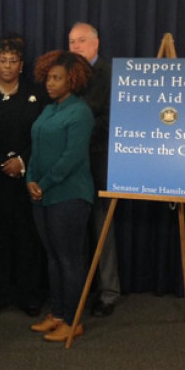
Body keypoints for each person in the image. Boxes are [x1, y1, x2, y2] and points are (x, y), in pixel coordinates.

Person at [0, 32, 47, 318]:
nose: (7, 66)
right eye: (2, 60)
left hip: (26, 179)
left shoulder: (37, 94)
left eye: (12, 60)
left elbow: (42, 135)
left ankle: (29, 295)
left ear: (21, 64)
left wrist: (22, 161)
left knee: (27, 239)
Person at [27, 50, 94, 342]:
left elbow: (72, 158)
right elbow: (36, 150)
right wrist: (30, 179)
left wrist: (45, 182)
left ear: (73, 79)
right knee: (53, 258)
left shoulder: (80, 112)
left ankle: (73, 320)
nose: (50, 84)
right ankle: (57, 314)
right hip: (42, 194)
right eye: (48, 78)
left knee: (69, 259)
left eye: (57, 78)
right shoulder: (48, 110)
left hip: (70, 196)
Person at [69, 22, 120, 317]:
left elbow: (112, 120)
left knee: (103, 229)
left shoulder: (111, 74)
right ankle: (80, 291)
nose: (75, 47)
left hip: (99, 160)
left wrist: (77, 138)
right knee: (75, 231)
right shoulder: (66, 73)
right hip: (71, 165)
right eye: (72, 42)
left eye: (81, 41)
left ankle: (109, 292)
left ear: (96, 44)